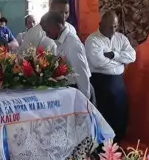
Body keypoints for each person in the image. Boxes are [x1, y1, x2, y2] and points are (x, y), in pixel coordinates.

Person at [85, 11, 136, 142]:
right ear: (100, 24)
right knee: (102, 116)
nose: (113, 30)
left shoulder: (121, 38)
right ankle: (100, 150)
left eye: (115, 26)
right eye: (109, 27)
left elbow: (132, 56)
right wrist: (120, 63)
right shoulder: (92, 40)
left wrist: (114, 55)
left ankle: (117, 145)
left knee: (119, 115)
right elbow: (98, 62)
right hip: (100, 83)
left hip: (118, 83)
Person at [56, 20, 93, 102]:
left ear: (56, 26)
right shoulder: (59, 41)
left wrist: (85, 100)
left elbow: (81, 73)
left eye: (47, 31)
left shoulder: (71, 43)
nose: (47, 35)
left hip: (80, 90)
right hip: (71, 89)